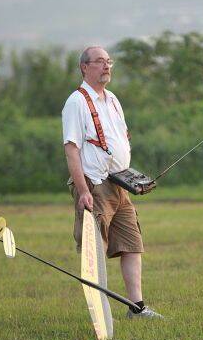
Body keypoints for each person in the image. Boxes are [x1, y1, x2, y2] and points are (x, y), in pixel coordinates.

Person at [61, 46, 163, 319]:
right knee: (95, 251)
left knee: (132, 243)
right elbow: (71, 149)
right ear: (84, 67)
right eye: (99, 62)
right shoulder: (76, 102)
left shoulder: (113, 99)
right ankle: (101, 314)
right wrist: (83, 190)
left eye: (109, 62)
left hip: (121, 184)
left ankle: (137, 308)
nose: (106, 67)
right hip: (95, 185)